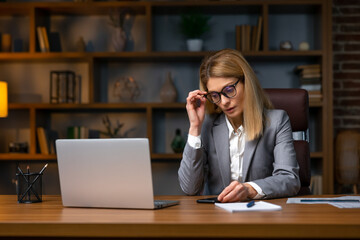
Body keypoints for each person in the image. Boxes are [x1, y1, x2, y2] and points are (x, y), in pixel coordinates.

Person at [178, 48, 300, 202]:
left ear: (246, 83)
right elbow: (189, 188)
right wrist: (195, 127)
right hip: (216, 216)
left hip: (261, 215)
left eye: (229, 90)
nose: (223, 102)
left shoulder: (277, 121)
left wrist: (248, 189)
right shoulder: (207, 124)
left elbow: (289, 180)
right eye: (215, 95)